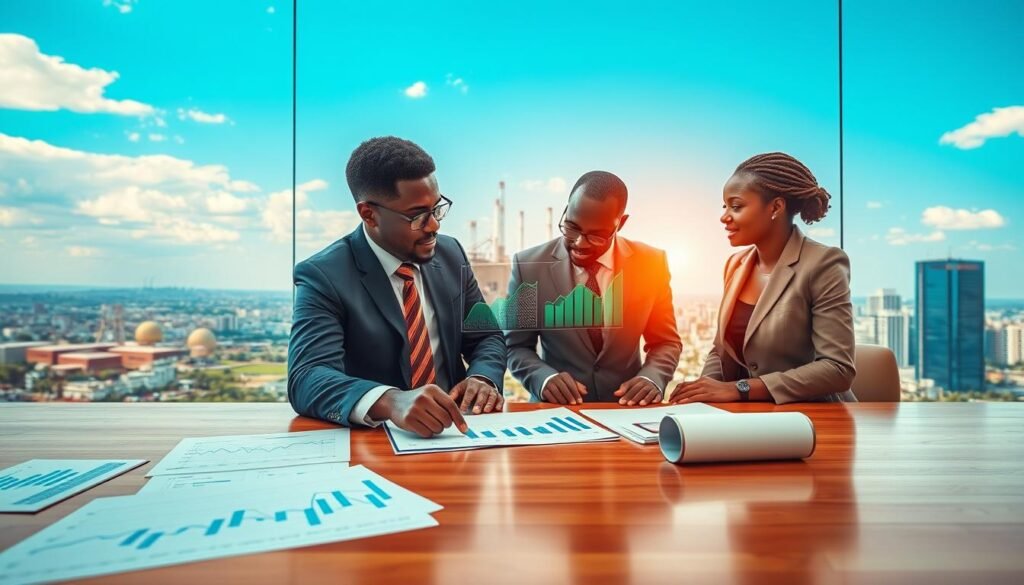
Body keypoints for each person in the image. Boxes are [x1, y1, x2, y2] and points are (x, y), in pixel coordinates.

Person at [288, 136, 507, 436]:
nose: (434, 226)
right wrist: (390, 401)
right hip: (375, 444)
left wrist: (483, 379)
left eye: (437, 208)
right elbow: (307, 377)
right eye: (417, 216)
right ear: (369, 214)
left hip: (458, 435)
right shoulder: (324, 275)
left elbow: (487, 337)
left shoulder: (451, 253)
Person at [670, 152, 856, 404]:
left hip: (814, 418)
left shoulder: (824, 263)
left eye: (736, 207)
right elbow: (720, 349)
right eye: (724, 206)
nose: (724, 217)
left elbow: (837, 369)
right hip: (747, 418)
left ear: (776, 207)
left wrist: (739, 389)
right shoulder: (736, 264)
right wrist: (703, 395)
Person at [506, 171, 682, 405]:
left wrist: (651, 379)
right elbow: (515, 347)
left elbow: (666, 342)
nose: (579, 243)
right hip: (555, 412)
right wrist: (544, 379)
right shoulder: (528, 267)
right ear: (566, 209)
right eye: (571, 228)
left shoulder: (651, 263)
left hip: (626, 412)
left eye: (597, 236)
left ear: (621, 223)